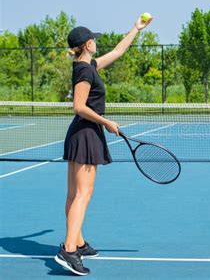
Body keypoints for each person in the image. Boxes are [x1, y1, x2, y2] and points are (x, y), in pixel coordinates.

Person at [54, 15, 153, 276]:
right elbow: (78, 106)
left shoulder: (88, 65)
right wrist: (106, 121)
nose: (96, 43)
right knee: (82, 196)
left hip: (81, 134)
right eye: (94, 40)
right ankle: (68, 251)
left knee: (73, 195)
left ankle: (77, 242)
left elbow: (119, 51)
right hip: (86, 134)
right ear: (87, 44)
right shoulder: (86, 71)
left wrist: (136, 28)